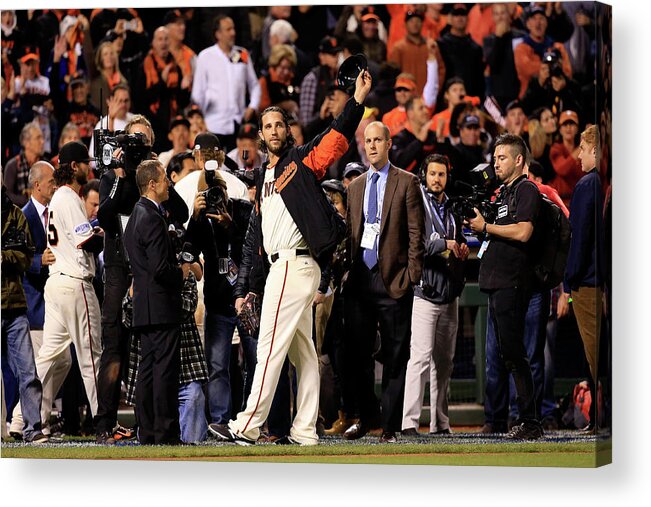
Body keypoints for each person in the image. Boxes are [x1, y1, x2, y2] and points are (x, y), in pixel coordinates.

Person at [209, 68, 372, 447]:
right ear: (261, 135)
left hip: (296, 265)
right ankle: (304, 431)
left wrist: (357, 101)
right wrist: (247, 287)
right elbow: (254, 242)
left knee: (268, 346)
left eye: (279, 124)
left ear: (287, 130)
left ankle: (246, 425)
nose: (274, 131)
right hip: (281, 267)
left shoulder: (301, 162)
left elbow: (335, 136)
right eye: (268, 126)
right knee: (306, 354)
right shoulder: (263, 177)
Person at [94, 115, 188, 444]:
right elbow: (105, 214)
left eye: (144, 141)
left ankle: (148, 428)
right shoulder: (114, 175)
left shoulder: (154, 178)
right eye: (133, 140)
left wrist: (151, 169)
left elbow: (182, 212)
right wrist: (122, 173)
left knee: (147, 360)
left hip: (145, 271)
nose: (138, 146)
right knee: (116, 346)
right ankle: (107, 422)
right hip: (124, 268)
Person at [342, 120, 425, 443]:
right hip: (360, 281)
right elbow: (352, 234)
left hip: (394, 281)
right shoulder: (355, 186)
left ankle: (388, 427)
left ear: (389, 144)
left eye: (378, 140)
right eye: (368, 140)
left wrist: (411, 276)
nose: (372, 145)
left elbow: (416, 234)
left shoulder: (407, 182)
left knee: (395, 355)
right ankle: (366, 418)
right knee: (357, 356)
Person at [467, 133, 543, 440]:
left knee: (515, 354)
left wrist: (486, 227)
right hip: (497, 282)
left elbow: (524, 232)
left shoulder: (527, 190)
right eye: (495, 157)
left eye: (501, 158)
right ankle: (509, 420)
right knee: (503, 356)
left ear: (519, 160)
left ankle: (531, 422)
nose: (495, 163)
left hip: (513, 282)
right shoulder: (503, 193)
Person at [31, 141, 104, 436]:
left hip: (57, 283)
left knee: (51, 357)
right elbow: (88, 243)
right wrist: (101, 231)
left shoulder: (57, 200)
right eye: (85, 163)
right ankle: (104, 421)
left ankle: (28, 418)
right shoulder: (69, 197)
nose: (89, 167)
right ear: (74, 167)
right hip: (75, 284)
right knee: (91, 357)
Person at [123, 159, 190, 445]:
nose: (169, 184)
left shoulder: (136, 215)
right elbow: (161, 269)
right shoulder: (151, 216)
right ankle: (165, 433)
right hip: (161, 307)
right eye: (164, 180)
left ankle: (148, 432)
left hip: (145, 308)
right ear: (152, 184)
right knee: (164, 372)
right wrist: (183, 272)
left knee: (148, 371)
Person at [401, 154, 468, 437]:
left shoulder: (452, 207)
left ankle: (440, 423)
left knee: (444, 363)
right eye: (433, 174)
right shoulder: (417, 202)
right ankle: (409, 423)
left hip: (449, 293)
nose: (437, 179)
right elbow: (415, 243)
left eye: (441, 174)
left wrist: (461, 247)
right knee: (419, 359)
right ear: (424, 176)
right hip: (425, 292)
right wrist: (446, 243)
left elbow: (459, 240)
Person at [558, 125, 606, 434]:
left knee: (595, 356)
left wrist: (567, 282)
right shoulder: (605, 182)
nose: (578, 155)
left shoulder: (589, 183)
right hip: (599, 280)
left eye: (583, 149)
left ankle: (603, 419)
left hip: (587, 282)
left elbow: (579, 238)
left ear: (596, 151)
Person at [1, 180, 49, 444]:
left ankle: (33, 428)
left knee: (28, 371)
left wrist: (3, 257)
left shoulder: (16, 215)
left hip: (15, 306)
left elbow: (25, 257)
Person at [191, 15, 260, 153]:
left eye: (233, 29)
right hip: (213, 125)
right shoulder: (205, 56)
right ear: (218, 33)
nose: (233, 33)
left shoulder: (242, 54)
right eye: (228, 29)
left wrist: (252, 106)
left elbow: (254, 84)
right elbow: (198, 92)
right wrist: (202, 117)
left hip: (238, 123)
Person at [136, 26, 191, 153]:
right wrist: (162, 82)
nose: (163, 43)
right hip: (152, 126)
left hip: (170, 127)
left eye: (166, 39)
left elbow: (182, 102)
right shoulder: (145, 65)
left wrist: (184, 89)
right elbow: (141, 99)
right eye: (160, 39)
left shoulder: (176, 67)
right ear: (153, 43)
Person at [513, 6, 572, 99]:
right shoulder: (521, 48)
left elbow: (568, 72)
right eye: (534, 19)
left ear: (546, 23)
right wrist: (552, 66)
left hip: (555, 94)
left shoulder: (557, 47)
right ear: (528, 24)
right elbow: (527, 70)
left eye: (541, 18)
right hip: (531, 96)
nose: (538, 23)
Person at [436, 4, 485, 100]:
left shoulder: (476, 48)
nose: (460, 18)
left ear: (468, 19)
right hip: (447, 98)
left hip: (470, 97)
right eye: (456, 15)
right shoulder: (440, 45)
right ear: (450, 19)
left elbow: (479, 79)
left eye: (463, 15)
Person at [483, 3, 525, 112]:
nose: (500, 17)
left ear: (508, 15)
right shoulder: (489, 40)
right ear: (493, 17)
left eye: (503, 13)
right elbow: (493, 63)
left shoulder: (520, 36)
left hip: (518, 91)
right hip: (498, 94)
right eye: (496, 14)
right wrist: (499, 38)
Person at [298, 35, 341, 126]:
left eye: (337, 53)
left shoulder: (339, 75)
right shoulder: (311, 79)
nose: (336, 57)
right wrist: (321, 114)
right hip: (317, 135)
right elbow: (305, 123)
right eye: (333, 54)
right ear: (322, 56)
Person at [390, 96, 438, 173]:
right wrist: (419, 142)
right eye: (421, 108)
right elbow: (398, 164)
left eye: (425, 107)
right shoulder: (399, 138)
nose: (426, 111)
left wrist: (442, 140)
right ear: (410, 113)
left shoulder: (433, 136)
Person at [3, 122, 46, 207]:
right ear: (27, 143)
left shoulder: (46, 164)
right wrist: (30, 202)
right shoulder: (13, 165)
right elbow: (7, 195)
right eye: (38, 138)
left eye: (42, 137)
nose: (43, 141)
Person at [549, 109, 583, 208]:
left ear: (577, 128)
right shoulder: (556, 148)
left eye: (572, 124)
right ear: (560, 129)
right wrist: (581, 146)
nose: (568, 128)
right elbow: (562, 169)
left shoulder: (585, 150)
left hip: (580, 199)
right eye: (565, 124)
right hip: (561, 201)